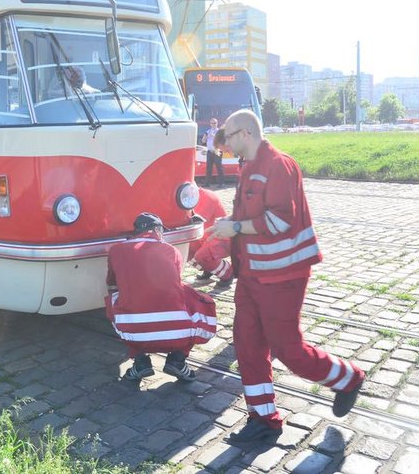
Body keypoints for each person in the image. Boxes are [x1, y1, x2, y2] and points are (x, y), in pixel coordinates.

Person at [209, 109, 365, 445]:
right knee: (248, 346)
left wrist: (234, 227)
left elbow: (279, 221)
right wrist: (227, 237)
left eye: (229, 136)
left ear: (246, 134)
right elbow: (247, 217)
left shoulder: (279, 165)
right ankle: (264, 418)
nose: (226, 143)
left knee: (287, 349)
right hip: (252, 275)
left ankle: (348, 378)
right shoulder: (248, 167)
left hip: (283, 276)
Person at [105, 212, 218, 382]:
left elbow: (112, 284)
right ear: (158, 231)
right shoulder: (172, 251)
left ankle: (140, 361)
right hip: (178, 334)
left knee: (114, 299)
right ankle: (178, 360)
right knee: (190, 295)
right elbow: (173, 283)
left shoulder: (116, 250)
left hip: (135, 334)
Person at [188, 187, 233, 283]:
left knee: (201, 256)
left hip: (223, 238)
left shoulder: (205, 196)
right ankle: (209, 268)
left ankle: (228, 273)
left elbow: (192, 222)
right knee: (186, 249)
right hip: (207, 237)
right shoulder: (190, 196)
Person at [201, 118, 225, 187]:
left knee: (219, 167)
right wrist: (205, 138)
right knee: (209, 168)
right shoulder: (207, 131)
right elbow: (203, 141)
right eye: (212, 123)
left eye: (214, 123)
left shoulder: (219, 131)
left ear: (217, 123)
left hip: (217, 151)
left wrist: (213, 136)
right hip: (210, 151)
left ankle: (221, 183)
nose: (213, 124)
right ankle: (207, 183)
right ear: (210, 124)